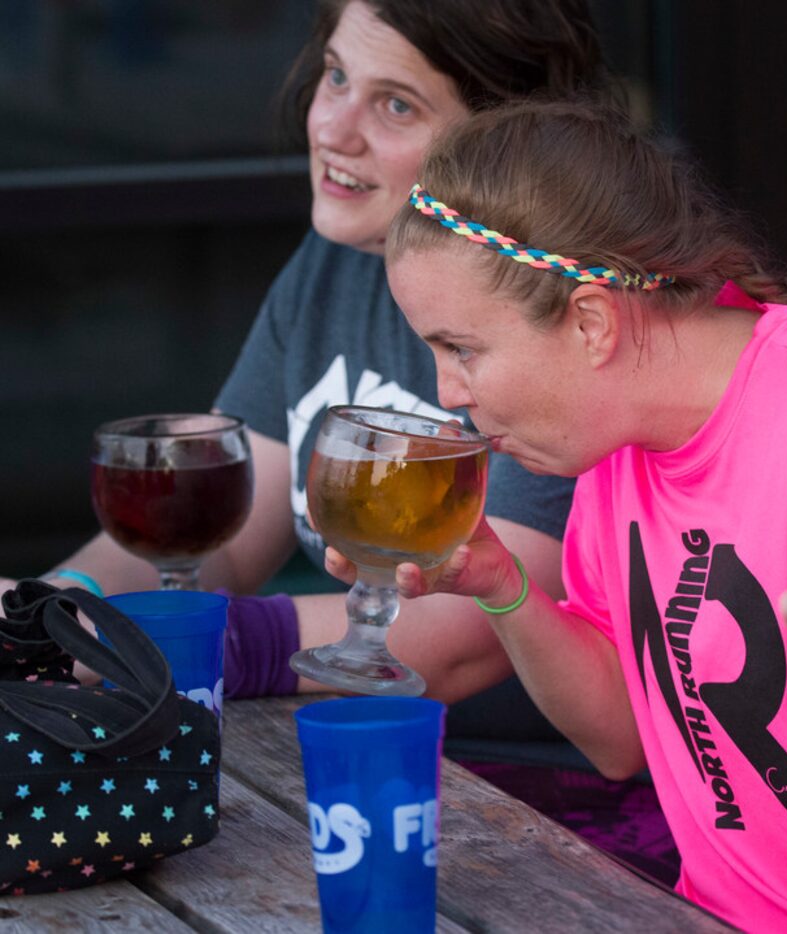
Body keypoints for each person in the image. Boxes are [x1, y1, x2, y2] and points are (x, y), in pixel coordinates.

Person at [330, 98, 787, 930]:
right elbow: (620, 739)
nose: (447, 395)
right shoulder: (617, 450)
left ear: (592, 321)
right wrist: (501, 584)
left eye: (462, 349)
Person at [11, 0, 604, 718]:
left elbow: (460, 637)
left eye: (395, 105)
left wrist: (138, 641)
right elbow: (219, 544)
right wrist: (38, 614)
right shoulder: (337, 261)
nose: (329, 127)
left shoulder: (554, 308)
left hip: (518, 788)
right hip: (338, 742)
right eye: (334, 75)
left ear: (504, 141)